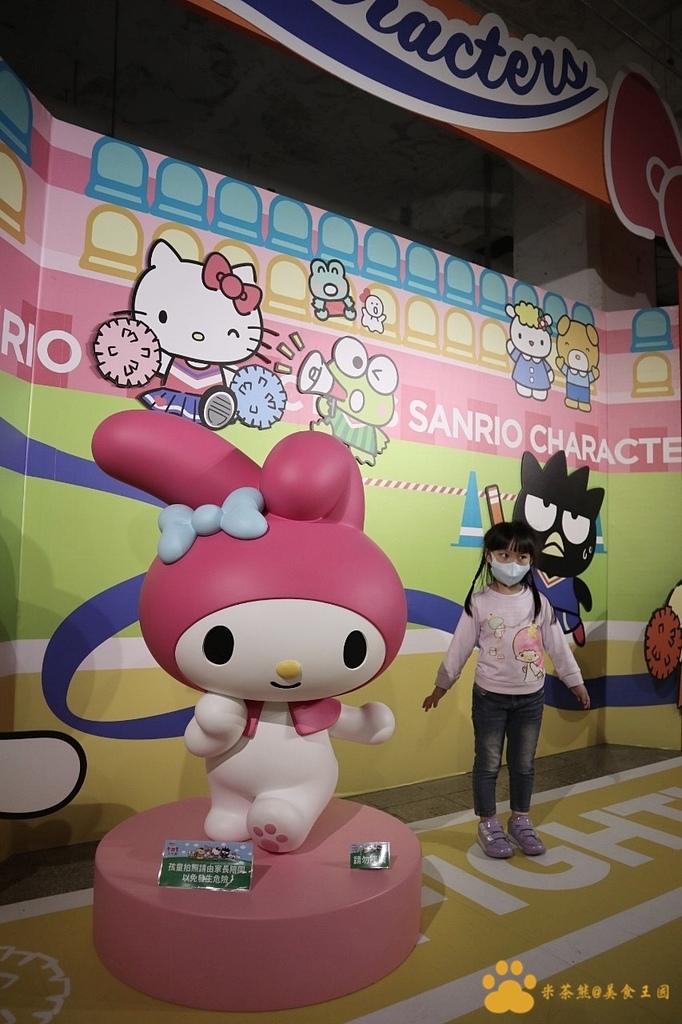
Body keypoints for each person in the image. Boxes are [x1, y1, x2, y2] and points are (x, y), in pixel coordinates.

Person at [422, 521, 590, 859]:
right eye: (504, 555)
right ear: (489, 556)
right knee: (487, 763)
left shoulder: (539, 603)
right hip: (490, 698)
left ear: (531, 560)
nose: (513, 563)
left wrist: (575, 681)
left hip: (531, 699)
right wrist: (441, 686)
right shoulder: (479, 603)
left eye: (522, 557)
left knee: (523, 764)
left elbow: (557, 647)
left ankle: (520, 819)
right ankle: (487, 822)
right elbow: (459, 648)